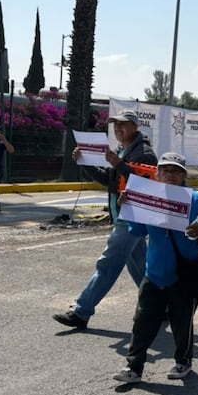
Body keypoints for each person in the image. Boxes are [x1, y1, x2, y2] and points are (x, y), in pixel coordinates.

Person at [112, 152, 198, 383]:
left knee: (182, 322)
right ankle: (134, 367)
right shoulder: (147, 198)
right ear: (157, 175)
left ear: (183, 175)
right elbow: (137, 232)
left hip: (184, 273)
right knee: (143, 322)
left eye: (176, 171)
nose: (170, 175)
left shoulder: (196, 200)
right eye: (166, 170)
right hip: (154, 273)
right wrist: (127, 209)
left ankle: (183, 361)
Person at [53, 110, 157, 330]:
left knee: (107, 264)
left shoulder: (144, 153)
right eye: (115, 125)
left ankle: (81, 312)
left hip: (132, 218)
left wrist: (119, 164)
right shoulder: (122, 150)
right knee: (140, 267)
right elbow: (109, 182)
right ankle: (160, 307)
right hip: (122, 215)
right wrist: (86, 163)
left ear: (135, 127)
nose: (118, 128)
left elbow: (146, 184)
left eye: (124, 125)